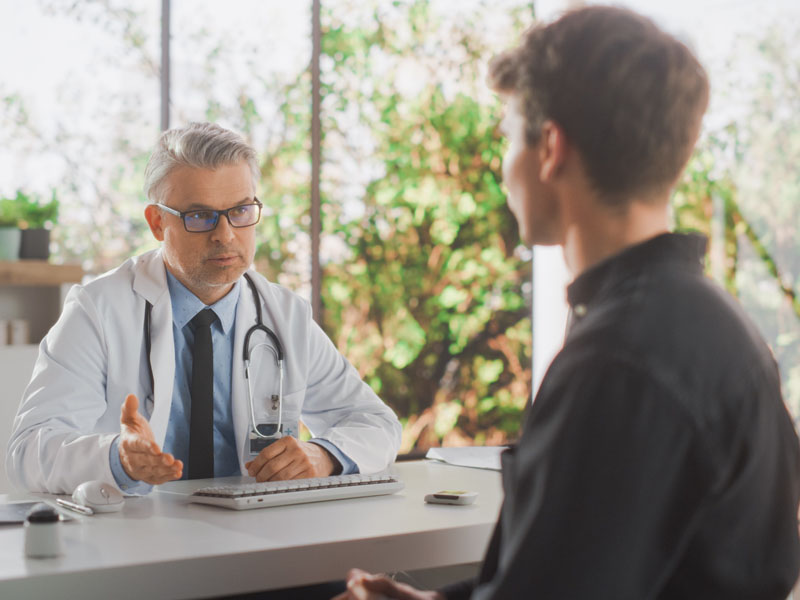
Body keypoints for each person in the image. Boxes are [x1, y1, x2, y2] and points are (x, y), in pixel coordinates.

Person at [335, 6, 800, 599]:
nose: (504, 170)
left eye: (507, 138)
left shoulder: (619, 361)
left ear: (550, 147)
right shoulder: (714, 324)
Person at [7, 122, 402, 496]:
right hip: (136, 539)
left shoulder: (286, 316)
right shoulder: (97, 310)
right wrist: (116, 457)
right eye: (200, 216)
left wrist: (324, 455)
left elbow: (376, 424)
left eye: (241, 211)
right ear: (158, 223)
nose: (225, 235)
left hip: (259, 535)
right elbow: (28, 451)